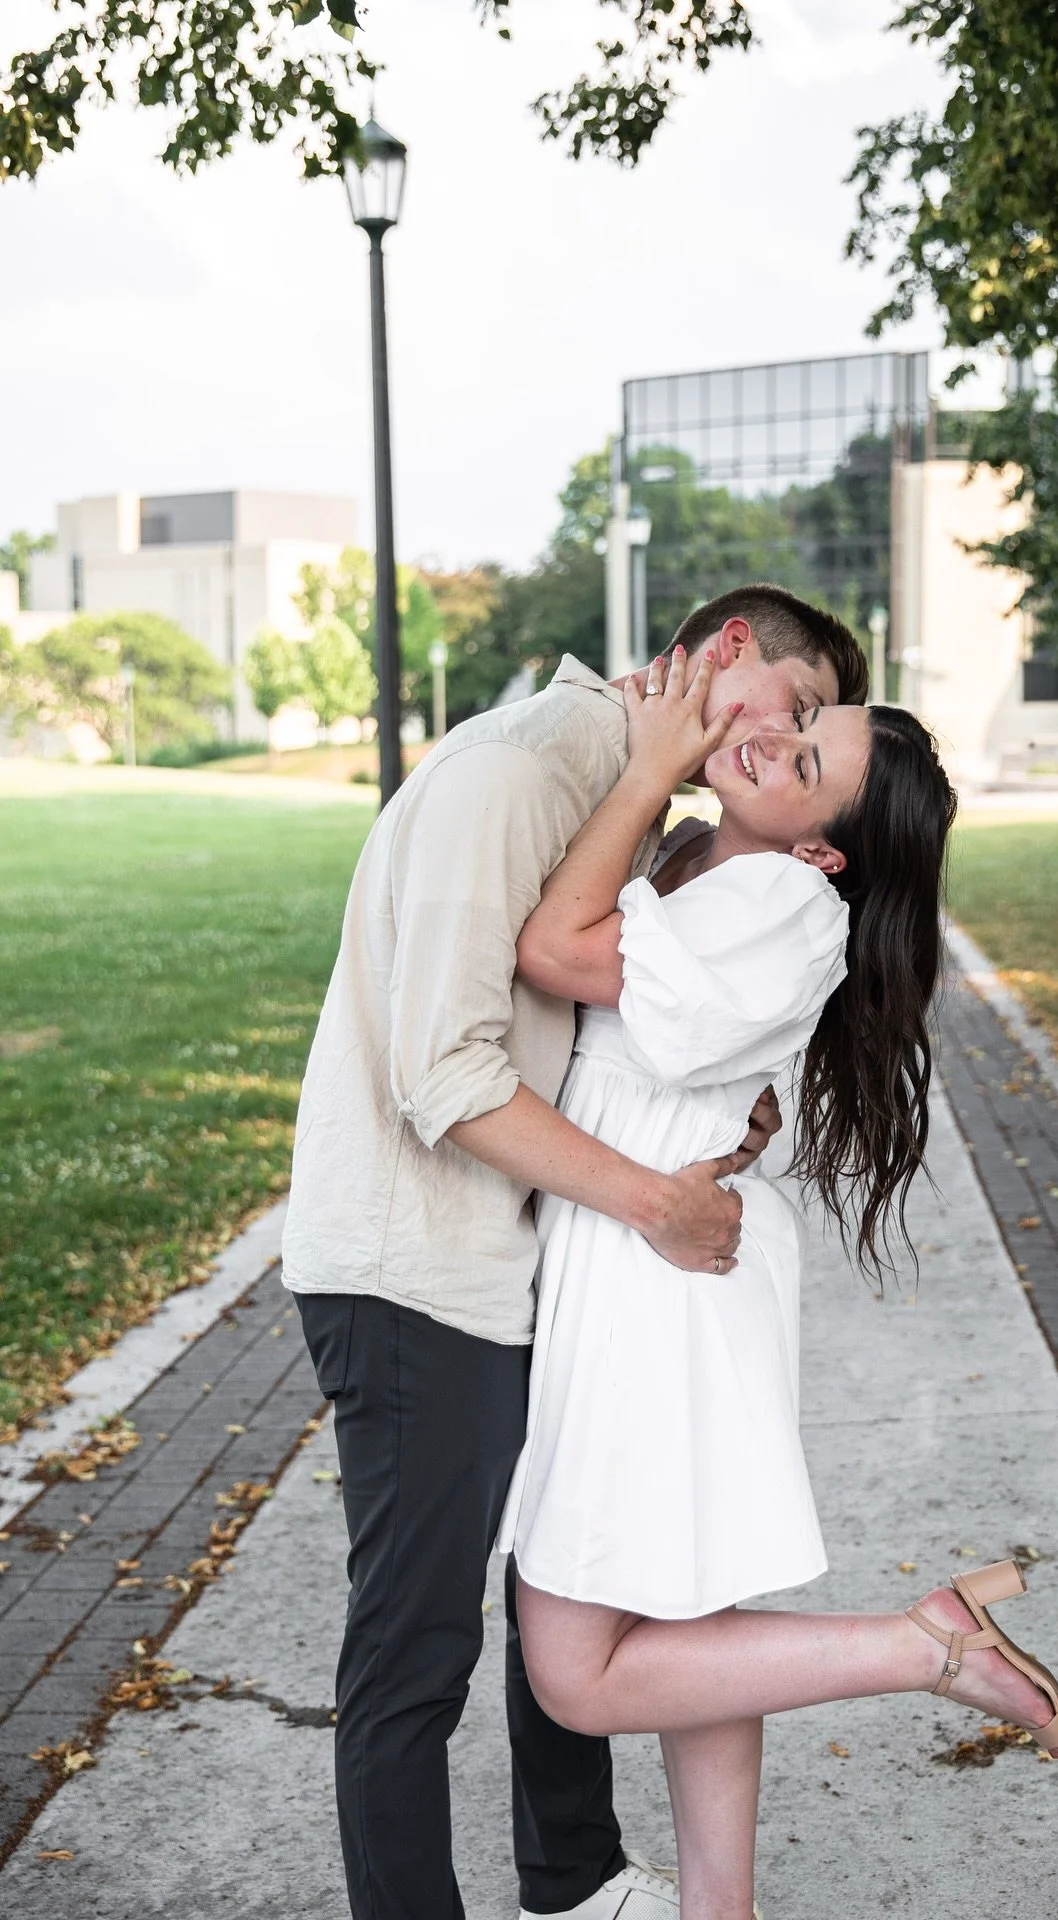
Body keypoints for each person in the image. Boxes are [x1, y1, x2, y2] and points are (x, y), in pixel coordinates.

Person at [281, 586, 869, 1920]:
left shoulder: (638, 800)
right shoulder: (513, 774)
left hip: (514, 1250)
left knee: (566, 1568)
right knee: (417, 1649)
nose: (785, 743)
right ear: (725, 655)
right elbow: (443, 1071)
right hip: (414, 1263)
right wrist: (653, 1200)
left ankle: (573, 1879)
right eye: (794, 707)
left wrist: (727, 1110)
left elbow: (623, 1016)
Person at [500, 645, 1058, 1920]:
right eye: (803, 714)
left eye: (806, 758)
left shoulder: (781, 903)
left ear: (822, 850)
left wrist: (650, 770)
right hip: (647, 1264)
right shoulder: (707, 863)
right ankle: (725, 1906)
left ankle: (924, 1645)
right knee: (692, 1620)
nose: (775, 737)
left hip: (652, 1288)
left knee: (575, 1676)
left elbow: (552, 947)